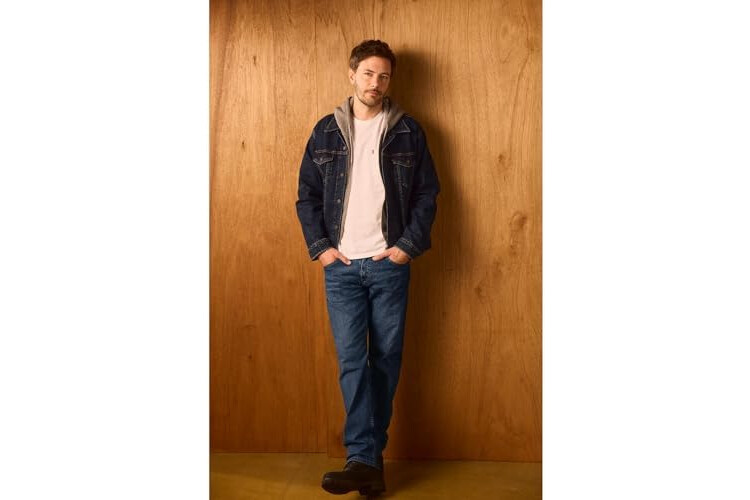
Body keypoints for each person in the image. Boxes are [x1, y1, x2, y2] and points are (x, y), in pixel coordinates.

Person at [295, 39, 440, 496]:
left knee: (385, 361)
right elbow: (306, 196)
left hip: (388, 265)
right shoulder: (325, 131)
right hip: (340, 267)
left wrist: (406, 247)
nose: (376, 83)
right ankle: (365, 461)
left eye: (384, 76)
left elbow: (427, 193)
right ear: (352, 74)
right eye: (368, 74)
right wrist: (322, 249)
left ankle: (365, 463)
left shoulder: (408, 131)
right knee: (352, 362)